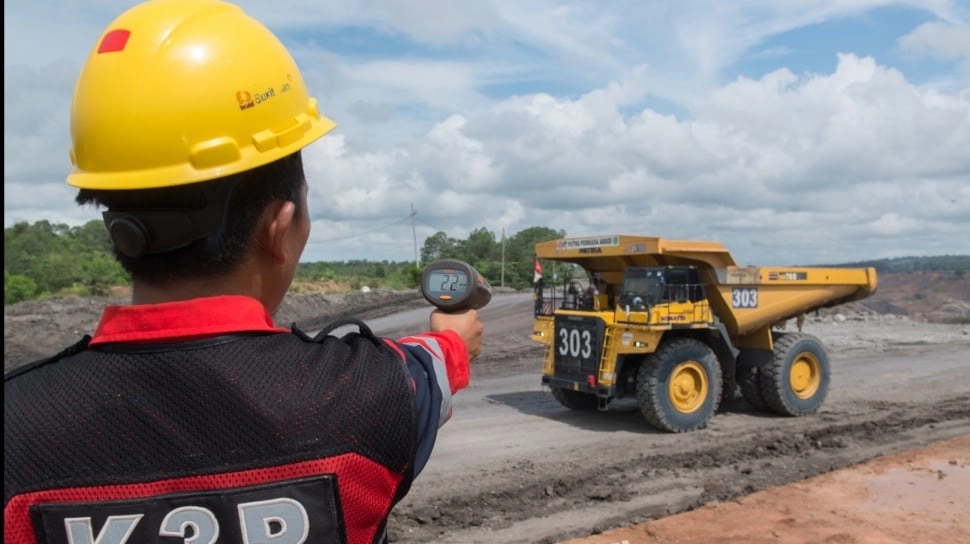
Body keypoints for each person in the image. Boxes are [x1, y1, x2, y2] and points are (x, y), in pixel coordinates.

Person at [2, 1, 483, 543]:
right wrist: (456, 338)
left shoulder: (17, 424)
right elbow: (433, 362)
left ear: (117, 223)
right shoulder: (373, 393)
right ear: (278, 228)